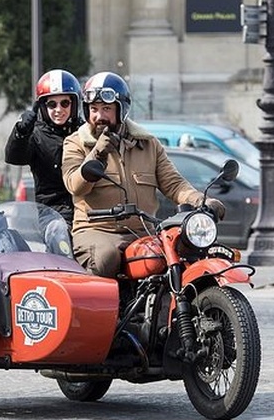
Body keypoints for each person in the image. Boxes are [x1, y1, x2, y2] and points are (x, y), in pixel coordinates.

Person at [62, 71, 226, 278]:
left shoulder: (148, 143)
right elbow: (75, 185)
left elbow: (173, 184)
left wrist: (202, 200)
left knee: (178, 255)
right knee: (106, 257)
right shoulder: (76, 143)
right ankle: (102, 309)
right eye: (93, 109)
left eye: (106, 109)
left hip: (143, 232)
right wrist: (98, 153)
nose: (99, 116)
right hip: (97, 231)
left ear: (121, 110)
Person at [4, 69, 82, 255]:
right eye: (51, 104)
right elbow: (14, 157)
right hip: (53, 211)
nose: (58, 110)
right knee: (59, 234)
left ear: (74, 103)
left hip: (86, 208)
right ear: (42, 107)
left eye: (65, 103)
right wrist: (21, 133)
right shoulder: (36, 134)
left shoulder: (84, 131)